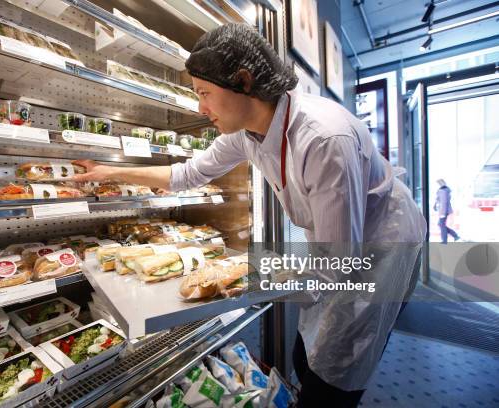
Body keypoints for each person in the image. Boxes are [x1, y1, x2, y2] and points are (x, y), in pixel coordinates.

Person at [73, 24, 426, 407]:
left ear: (243, 81)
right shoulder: (246, 133)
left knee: (339, 369)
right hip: (337, 249)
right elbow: (187, 174)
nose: (199, 108)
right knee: (306, 355)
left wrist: (243, 277)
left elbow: (337, 265)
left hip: (383, 246)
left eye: (204, 93)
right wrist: (109, 172)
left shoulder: (324, 139)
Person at [434, 178, 459, 244]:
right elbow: (439, 199)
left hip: (444, 210)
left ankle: (445, 240)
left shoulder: (443, 191)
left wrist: (442, 212)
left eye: (439, 183)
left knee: (441, 225)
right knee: (441, 224)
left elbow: (444, 202)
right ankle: (455, 236)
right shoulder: (444, 190)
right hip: (444, 210)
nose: (438, 184)